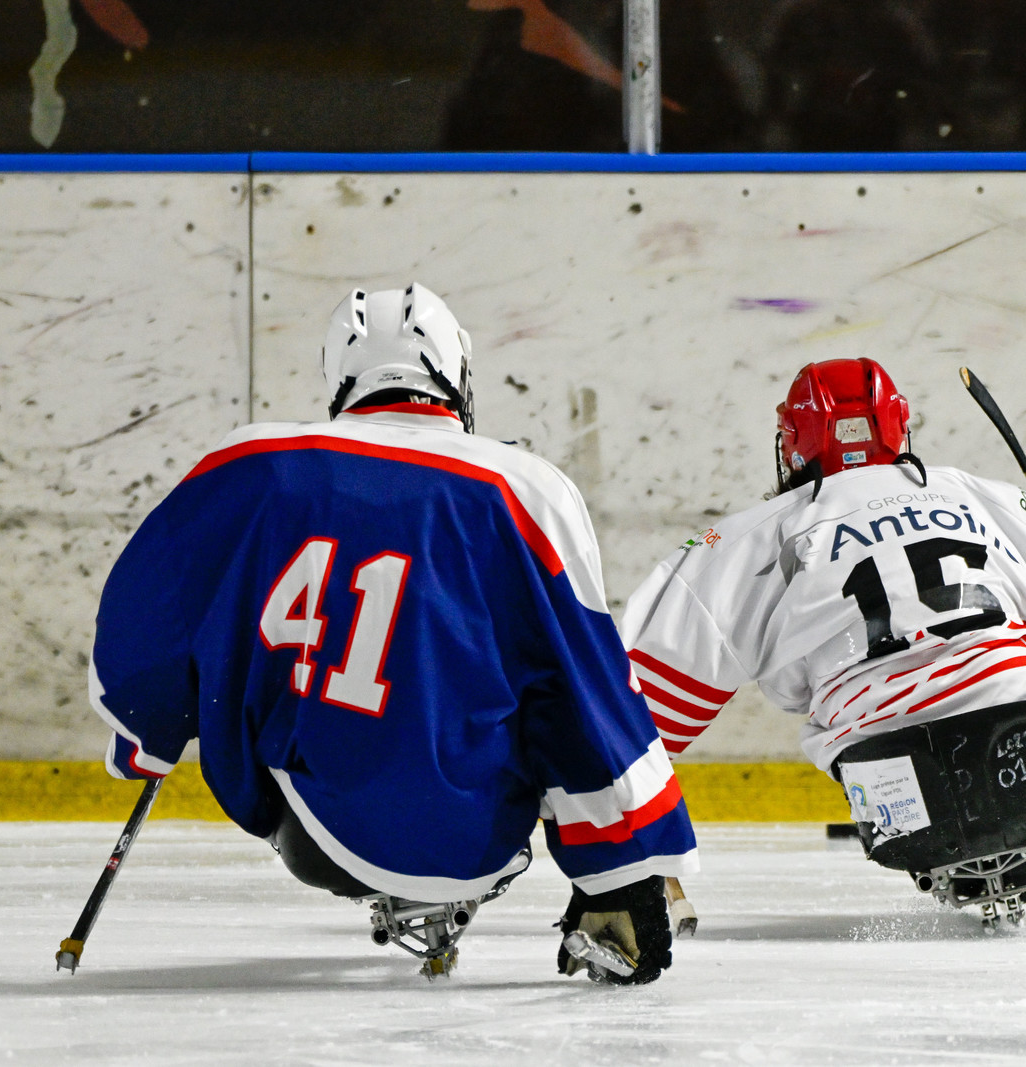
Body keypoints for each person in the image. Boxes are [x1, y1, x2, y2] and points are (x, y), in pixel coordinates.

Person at [89, 283, 696, 980]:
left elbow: (147, 614)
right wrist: (624, 872)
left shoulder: (249, 462)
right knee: (546, 669)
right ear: (456, 376)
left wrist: (146, 737)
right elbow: (585, 695)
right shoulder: (524, 489)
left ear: (338, 380)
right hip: (468, 839)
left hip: (307, 834)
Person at [621, 358, 1026, 928]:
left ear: (791, 444)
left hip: (894, 789)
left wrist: (637, 855)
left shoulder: (748, 538)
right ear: (900, 430)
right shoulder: (985, 498)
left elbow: (636, 716)